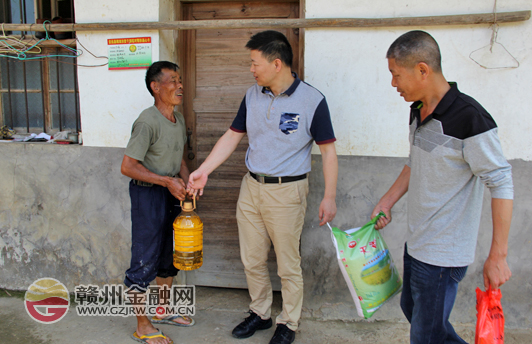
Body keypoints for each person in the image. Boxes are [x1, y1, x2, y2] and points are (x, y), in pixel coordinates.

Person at [186, 30, 338, 344]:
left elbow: (328, 151)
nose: (251, 69)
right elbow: (232, 136)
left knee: (287, 262)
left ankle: (290, 323)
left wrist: (330, 196)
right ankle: (261, 313)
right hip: (251, 187)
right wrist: (203, 170)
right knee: (252, 258)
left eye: (255, 63)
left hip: (287, 192)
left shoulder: (312, 100)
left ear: (277, 63)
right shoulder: (253, 94)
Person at [372, 30, 513, 344]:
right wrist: (388, 199)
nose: (393, 84)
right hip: (418, 241)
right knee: (417, 315)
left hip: (443, 254)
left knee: (426, 335)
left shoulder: (470, 118)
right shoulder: (417, 109)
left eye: (396, 75)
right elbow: (416, 161)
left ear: (423, 70)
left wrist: (498, 256)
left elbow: (501, 182)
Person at [121, 61, 194, 344]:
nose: (180, 86)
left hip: (172, 193)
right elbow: (128, 166)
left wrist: (188, 184)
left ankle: (162, 309)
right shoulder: (147, 121)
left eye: (180, 80)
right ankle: (142, 325)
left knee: (168, 257)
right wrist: (166, 181)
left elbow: (180, 160)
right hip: (147, 194)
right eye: (173, 81)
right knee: (144, 258)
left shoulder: (179, 119)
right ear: (156, 87)